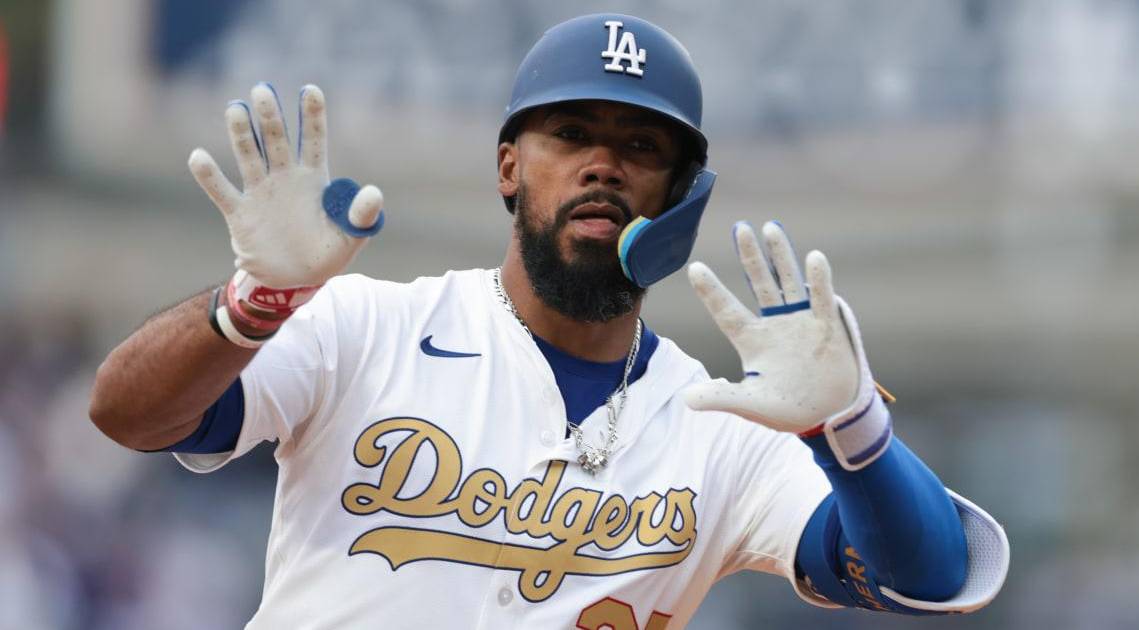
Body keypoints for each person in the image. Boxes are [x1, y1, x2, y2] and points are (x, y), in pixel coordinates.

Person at [89, 13, 1008, 629]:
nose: (603, 164)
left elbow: (929, 578)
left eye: (641, 145)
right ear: (509, 168)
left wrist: (851, 427)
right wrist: (250, 307)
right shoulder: (365, 328)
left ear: (680, 195)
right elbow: (127, 415)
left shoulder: (721, 428)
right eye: (571, 135)